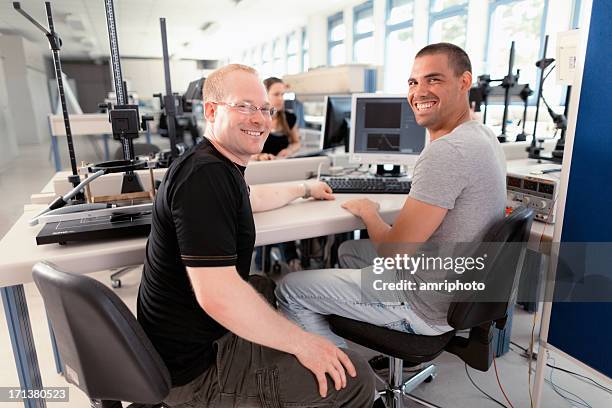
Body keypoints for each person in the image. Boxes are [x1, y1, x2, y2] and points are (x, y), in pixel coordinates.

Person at [137, 64, 376, 407]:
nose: (260, 119)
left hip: (191, 342)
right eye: (245, 106)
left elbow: (251, 199)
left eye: (265, 109)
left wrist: (304, 188)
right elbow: (217, 296)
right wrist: (303, 344)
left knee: (262, 285)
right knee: (355, 378)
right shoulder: (204, 178)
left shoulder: (216, 164)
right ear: (211, 110)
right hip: (198, 373)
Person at [275, 43, 507, 346]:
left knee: (290, 288)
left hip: (425, 304)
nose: (419, 91)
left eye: (433, 79)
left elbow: (394, 252)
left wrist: (369, 212)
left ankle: (344, 382)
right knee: (349, 251)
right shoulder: (484, 135)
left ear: (464, 82)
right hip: (459, 284)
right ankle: (374, 332)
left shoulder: (446, 152)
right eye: (413, 82)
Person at [252, 77, 301, 160]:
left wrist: (289, 150)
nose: (281, 99)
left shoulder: (289, 118)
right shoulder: (254, 119)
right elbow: (242, 151)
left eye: (282, 95)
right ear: (264, 95)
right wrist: (259, 157)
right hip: (259, 166)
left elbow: (296, 143)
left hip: (280, 165)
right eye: (276, 94)